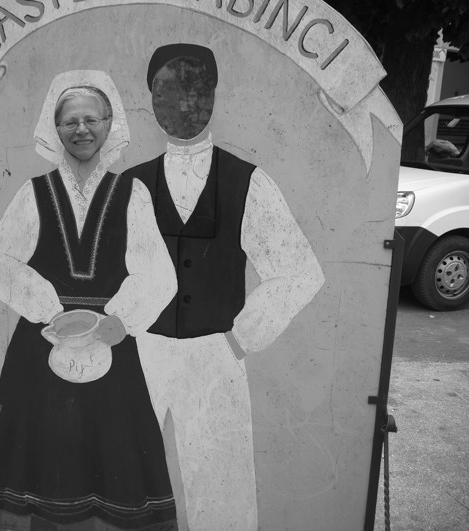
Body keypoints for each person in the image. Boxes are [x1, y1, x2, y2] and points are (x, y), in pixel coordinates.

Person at [123, 44, 326, 530]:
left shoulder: (248, 182)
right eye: (164, 91)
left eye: (193, 89)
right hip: (141, 354)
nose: (181, 103)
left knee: (222, 489)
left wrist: (240, 339)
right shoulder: (130, 185)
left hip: (216, 358)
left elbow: (299, 270)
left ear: (212, 95)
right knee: (125, 481)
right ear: (150, 101)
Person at [0, 70, 178, 530]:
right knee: (43, 454)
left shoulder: (131, 193)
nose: (81, 130)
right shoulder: (34, 192)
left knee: (115, 449)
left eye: (91, 119)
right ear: (55, 128)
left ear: (109, 124)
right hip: (41, 347)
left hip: (112, 345)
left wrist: (120, 320)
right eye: (70, 121)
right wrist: (49, 311)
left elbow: (157, 273)